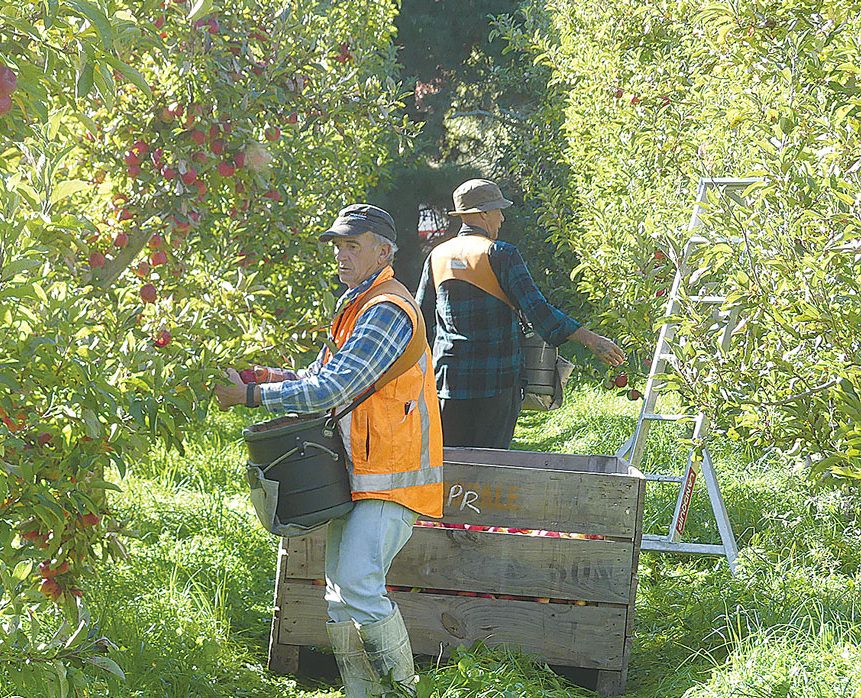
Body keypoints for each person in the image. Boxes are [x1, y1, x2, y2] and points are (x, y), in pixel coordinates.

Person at [213, 203, 442, 697]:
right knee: (340, 595)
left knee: (358, 584)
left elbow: (332, 390)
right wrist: (265, 377)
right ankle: (364, 693)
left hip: (390, 473)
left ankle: (402, 691)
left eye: (351, 245)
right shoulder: (357, 305)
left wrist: (251, 397)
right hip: (360, 469)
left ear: (384, 252)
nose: (340, 254)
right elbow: (319, 379)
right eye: (338, 245)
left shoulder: (387, 309)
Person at [416, 178, 626, 449]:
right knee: (491, 467)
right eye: (498, 211)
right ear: (483, 214)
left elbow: (418, 319)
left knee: (449, 465)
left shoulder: (437, 255)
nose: (502, 218)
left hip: (447, 382)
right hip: (496, 382)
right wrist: (592, 340)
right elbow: (540, 313)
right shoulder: (500, 254)